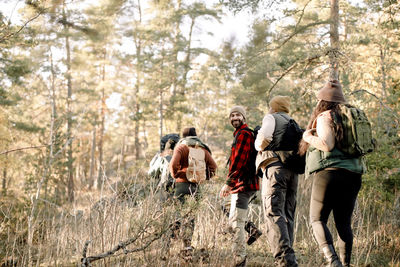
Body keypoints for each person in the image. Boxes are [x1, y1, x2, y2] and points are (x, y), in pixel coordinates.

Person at [299, 80, 365, 267]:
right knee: (343, 223)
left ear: (322, 101)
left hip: (330, 174)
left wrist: (308, 137)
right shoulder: (351, 116)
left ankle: (332, 261)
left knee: (317, 219)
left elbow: (327, 145)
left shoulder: (325, 116)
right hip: (354, 174)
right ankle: (345, 264)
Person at [254, 95, 299, 267]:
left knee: (273, 212)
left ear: (274, 107)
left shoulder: (271, 118)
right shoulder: (292, 121)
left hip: (275, 169)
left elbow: (263, 138)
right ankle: (289, 255)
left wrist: (258, 146)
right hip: (292, 172)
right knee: (288, 213)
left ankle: (285, 261)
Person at [220, 106, 260, 267]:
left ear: (244, 117)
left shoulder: (244, 134)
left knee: (236, 224)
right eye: (232, 115)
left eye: (237, 115)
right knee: (233, 221)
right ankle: (252, 230)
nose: (234, 118)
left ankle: (240, 261)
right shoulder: (239, 134)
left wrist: (228, 183)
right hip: (242, 184)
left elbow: (239, 161)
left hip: (243, 184)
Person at [169, 127, 217, 254]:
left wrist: (176, 175)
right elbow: (213, 167)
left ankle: (169, 243)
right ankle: (187, 246)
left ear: (183, 136)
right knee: (191, 216)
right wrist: (204, 177)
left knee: (178, 213)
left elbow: (173, 164)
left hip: (181, 185)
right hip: (196, 187)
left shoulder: (181, 147)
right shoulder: (202, 149)